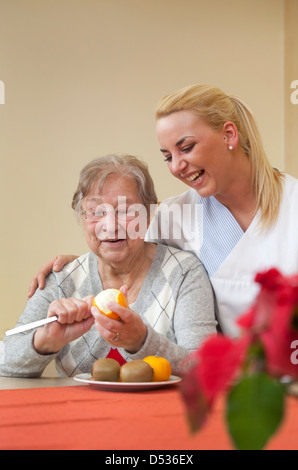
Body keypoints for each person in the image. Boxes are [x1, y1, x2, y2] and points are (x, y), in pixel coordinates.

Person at [28, 85, 298, 338]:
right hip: (236, 381)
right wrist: (75, 266)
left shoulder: (292, 203)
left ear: (229, 135)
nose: (177, 166)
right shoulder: (173, 216)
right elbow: (125, 252)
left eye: (187, 147)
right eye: (168, 157)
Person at [0, 154, 216, 378]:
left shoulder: (183, 272)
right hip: (75, 412)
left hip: (162, 412)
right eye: (96, 212)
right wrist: (46, 341)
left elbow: (206, 369)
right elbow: (3, 360)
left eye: (125, 211)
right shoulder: (62, 279)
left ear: (149, 215)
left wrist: (141, 341)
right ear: (82, 218)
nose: (110, 226)